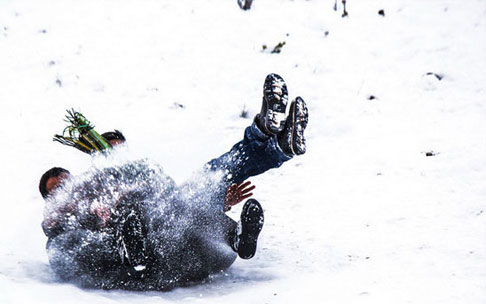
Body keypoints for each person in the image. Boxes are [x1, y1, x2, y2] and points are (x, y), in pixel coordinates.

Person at [40, 73, 308, 290]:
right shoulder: (70, 222)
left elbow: (173, 197)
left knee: (209, 176)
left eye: (118, 152)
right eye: (58, 188)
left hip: (187, 242)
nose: (115, 159)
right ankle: (267, 143)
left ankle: (273, 141)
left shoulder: (132, 178)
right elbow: (73, 255)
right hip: (151, 260)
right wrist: (121, 242)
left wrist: (216, 202)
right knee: (69, 246)